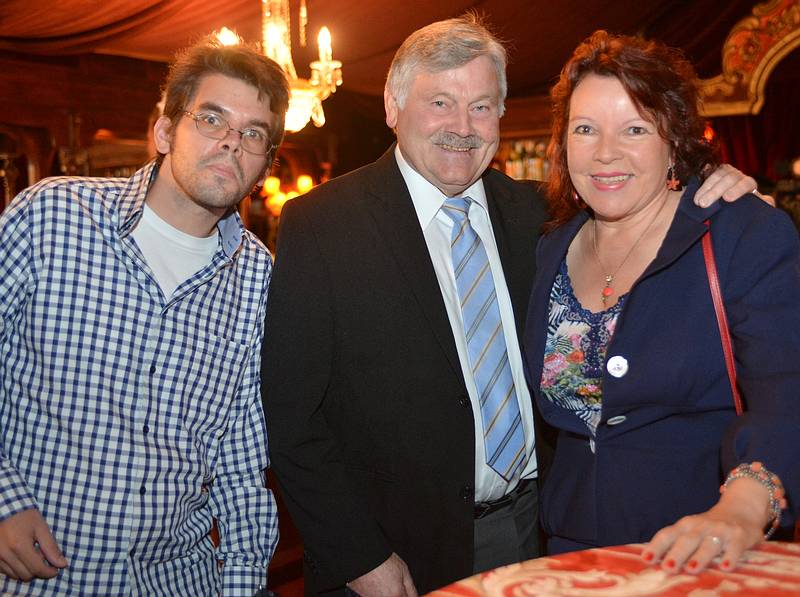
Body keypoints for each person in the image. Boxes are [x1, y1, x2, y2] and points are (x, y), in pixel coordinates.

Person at [262, 15, 761, 596]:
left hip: (540, 527)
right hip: (395, 550)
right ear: (393, 107)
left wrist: (712, 184)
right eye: (440, 103)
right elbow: (291, 416)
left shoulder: (543, 217)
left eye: (481, 107)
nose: (462, 127)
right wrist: (358, 555)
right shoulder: (323, 225)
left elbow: (641, 197)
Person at [0, 36, 289, 595]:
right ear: (163, 132)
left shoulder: (260, 276)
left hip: (176, 580)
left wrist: (243, 585)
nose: (232, 142)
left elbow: (241, 457)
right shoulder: (52, 216)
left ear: (264, 167)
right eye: (211, 118)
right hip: (38, 576)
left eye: (253, 133)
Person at [522, 30, 799, 575]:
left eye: (635, 128)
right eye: (585, 129)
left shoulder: (739, 231)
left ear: (674, 139)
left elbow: (787, 390)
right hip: (571, 552)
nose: (605, 152)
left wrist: (745, 506)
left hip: (705, 548)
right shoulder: (550, 245)